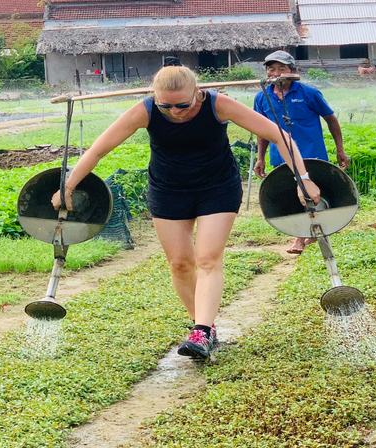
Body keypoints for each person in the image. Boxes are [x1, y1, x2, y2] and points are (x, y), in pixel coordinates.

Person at [52, 65, 320, 359]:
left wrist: (303, 178)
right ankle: (203, 327)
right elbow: (98, 151)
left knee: (207, 259)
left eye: (183, 104)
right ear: (154, 97)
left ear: (197, 92)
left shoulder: (219, 105)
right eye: (166, 105)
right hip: (168, 191)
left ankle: (202, 333)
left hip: (217, 188)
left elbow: (281, 136)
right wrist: (68, 186)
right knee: (180, 263)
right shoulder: (146, 110)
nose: (175, 112)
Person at [253, 50, 351, 254]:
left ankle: (313, 233)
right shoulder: (262, 97)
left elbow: (331, 119)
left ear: (293, 71)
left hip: (311, 154)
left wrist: (340, 150)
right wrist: (261, 158)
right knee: (291, 195)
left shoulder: (309, 93)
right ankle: (300, 236)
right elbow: (261, 130)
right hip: (281, 157)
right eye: (271, 69)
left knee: (310, 194)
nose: (276, 73)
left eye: (282, 69)